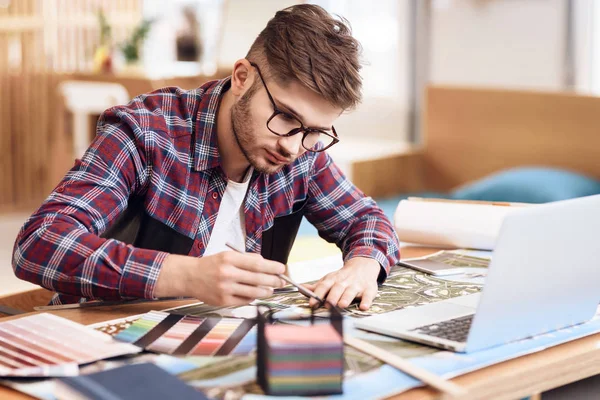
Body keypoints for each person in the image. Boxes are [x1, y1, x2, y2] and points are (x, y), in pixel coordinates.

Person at [12, 4, 400, 311]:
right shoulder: (146, 132)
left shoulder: (301, 151)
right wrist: (186, 276)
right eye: (285, 117)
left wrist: (363, 265)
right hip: (107, 346)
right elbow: (39, 243)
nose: (293, 147)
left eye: (314, 132)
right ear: (243, 76)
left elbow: (367, 219)